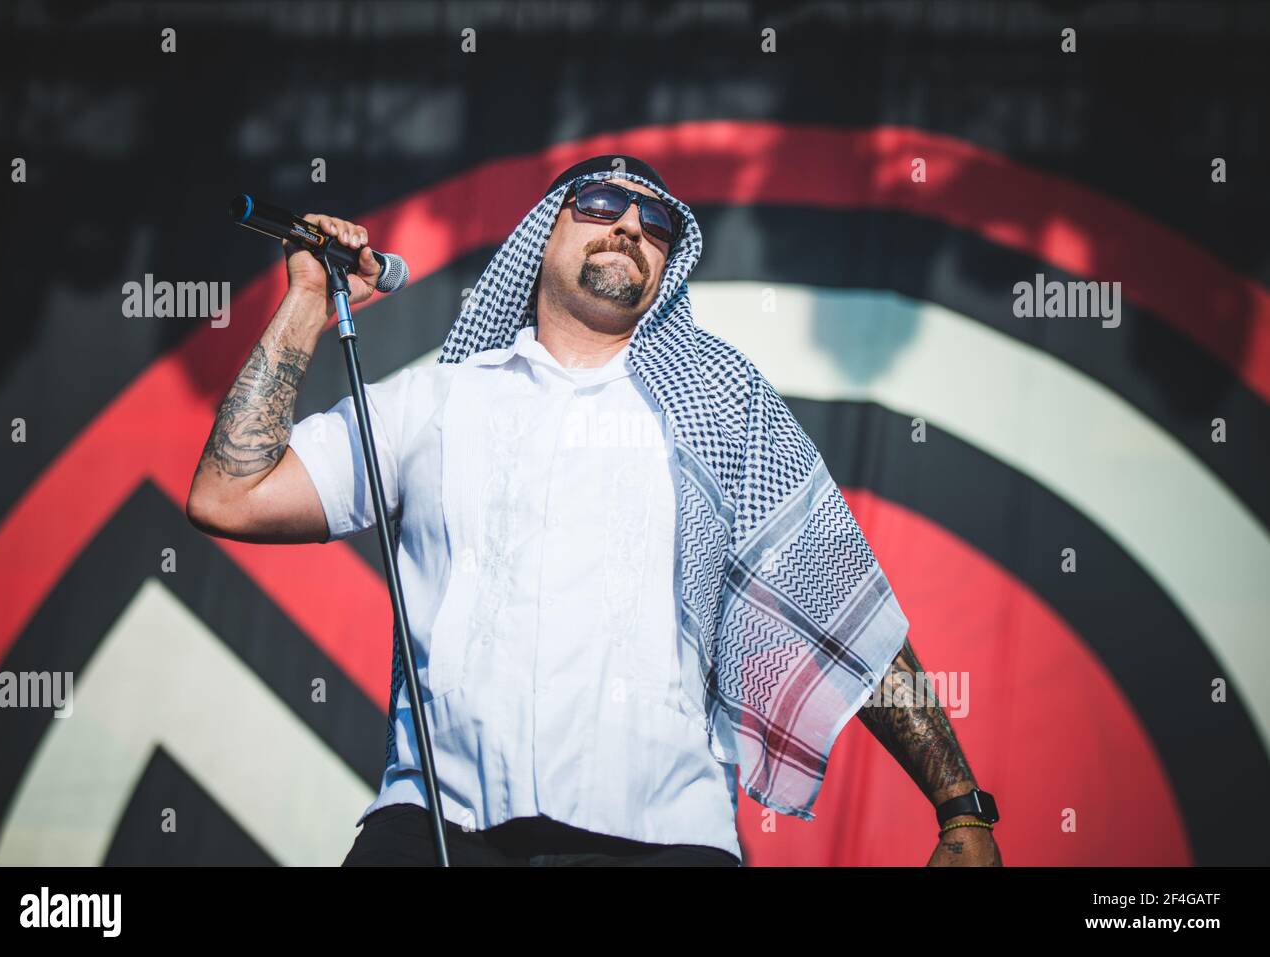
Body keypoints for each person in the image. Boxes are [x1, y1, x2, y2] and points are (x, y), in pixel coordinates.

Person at [186, 154, 1002, 867]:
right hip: (437, 827)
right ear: (543, 234)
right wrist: (305, 301)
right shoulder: (434, 400)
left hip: (661, 838)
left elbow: (840, 602)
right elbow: (231, 494)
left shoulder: (722, 410)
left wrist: (961, 806)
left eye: (657, 224)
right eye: (603, 206)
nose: (630, 228)